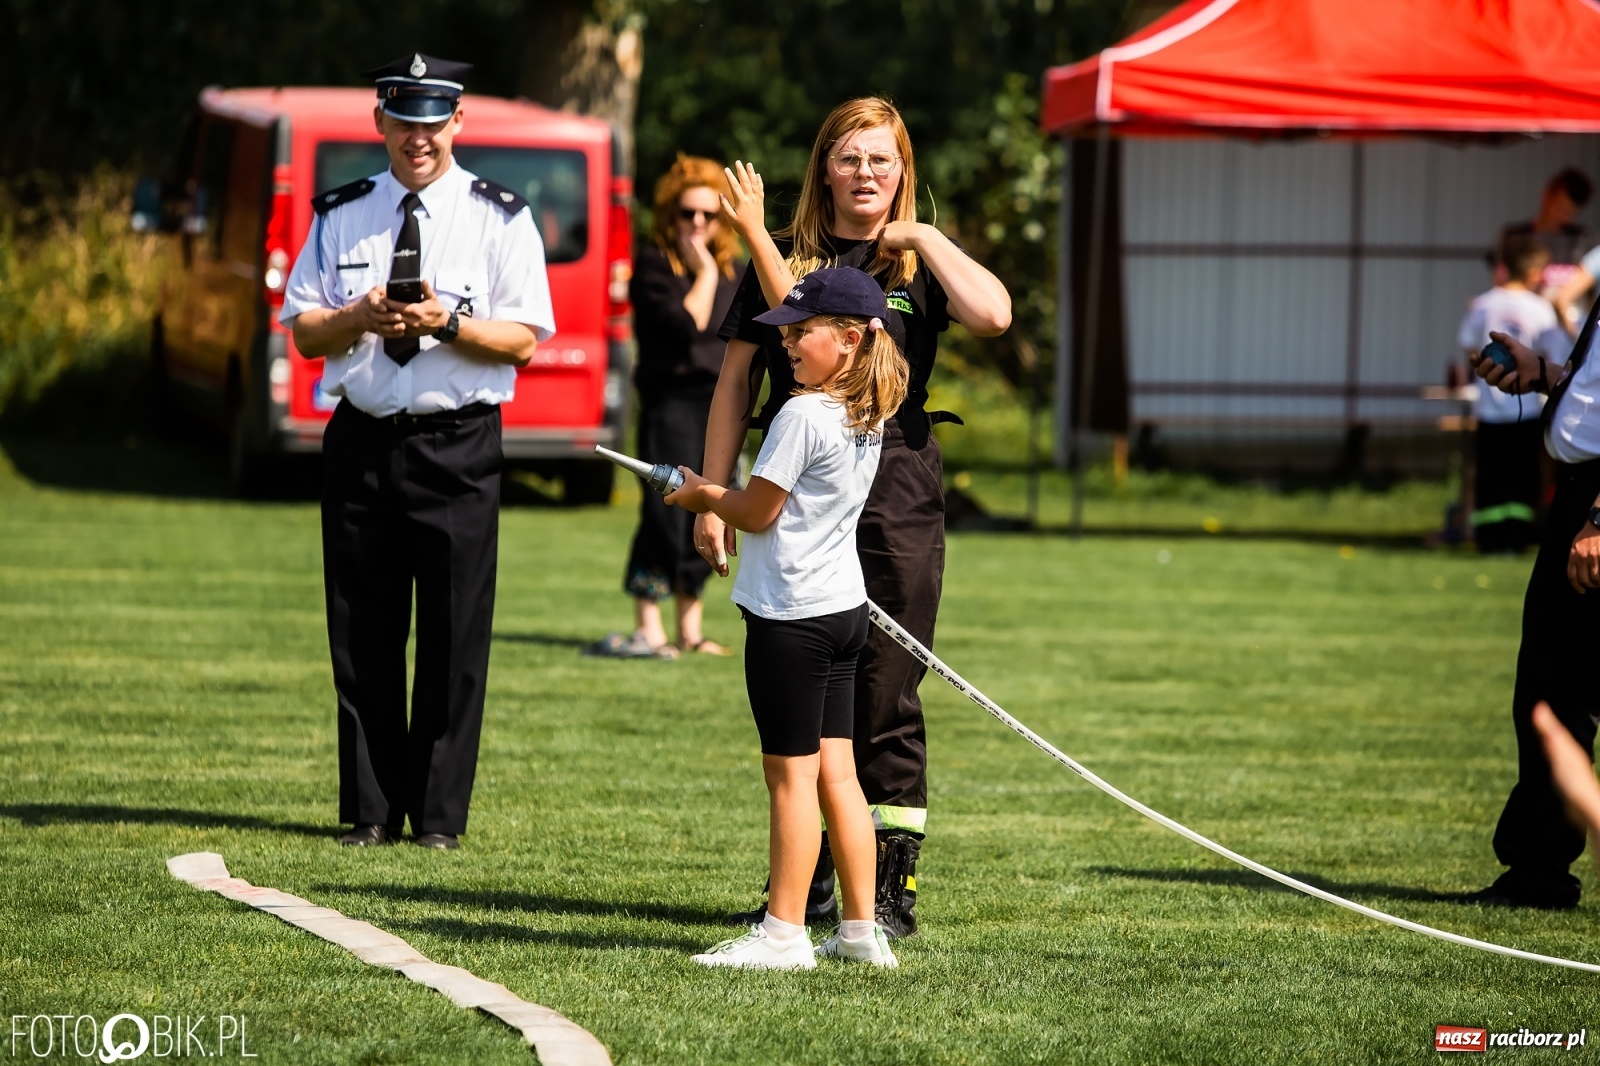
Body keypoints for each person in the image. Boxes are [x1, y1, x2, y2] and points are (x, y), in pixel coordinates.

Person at [701, 97, 1012, 937]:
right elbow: (736, 383)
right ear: (824, 169)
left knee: (885, 689)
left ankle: (889, 891)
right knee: (805, 689)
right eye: (849, 158)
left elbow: (994, 315)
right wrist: (716, 492)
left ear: (903, 170)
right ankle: (803, 893)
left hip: (899, 493)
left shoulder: (915, 268)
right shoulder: (788, 261)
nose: (865, 173)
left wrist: (925, 239)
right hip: (797, 485)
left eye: (882, 159)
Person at [279, 53, 554, 849]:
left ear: (457, 125)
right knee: (362, 631)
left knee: (453, 637)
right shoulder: (341, 213)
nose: (419, 140)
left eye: (433, 125)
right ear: (381, 125)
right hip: (362, 440)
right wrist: (359, 314)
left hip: (457, 444)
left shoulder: (501, 218)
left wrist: (446, 325)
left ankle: (436, 819)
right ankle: (370, 809)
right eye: (404, 123)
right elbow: (303, 332)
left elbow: (525, 341)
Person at [666, 267, 907, 969]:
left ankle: (783, 933)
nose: (790, 347)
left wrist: (701, 495)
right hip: (840, 614)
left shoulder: (803, 414)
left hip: (790, 619)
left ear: (853, 341)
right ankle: (862, 933)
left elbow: (756, 511)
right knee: (840, 775)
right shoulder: (871, 411)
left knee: (791, 778)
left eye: (804, 334)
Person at [1467, 264, 1600, 908]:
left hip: (1595, 510)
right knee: (1555, 693)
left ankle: (1540, 873)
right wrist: (1543, 374)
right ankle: (1538, 873)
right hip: (1578, 500)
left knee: (1559, 691)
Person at [590, 156, 739, 659]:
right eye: (686, 213)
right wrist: (700, 273)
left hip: (718, 406)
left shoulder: (736, 270)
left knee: (712, 509)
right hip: (669, 403)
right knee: (665, 511)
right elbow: (686, 325)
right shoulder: (654, 266)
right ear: (669, 214)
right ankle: (648, 628)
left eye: (708, 215)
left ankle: (691, 631)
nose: (697, 224)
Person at [1457, 237, 1562, 554]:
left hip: (1488, 409)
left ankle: (1489, 539)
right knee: (1522, 474)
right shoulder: (1541, 308)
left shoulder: (1483, 304)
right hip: (1526, 407)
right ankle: (1517, 538)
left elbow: (1468, 347)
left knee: (1490, 475)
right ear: (1532, 273)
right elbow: (1554, 355)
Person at [1495, 167, 1594, 310]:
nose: (1563, 216)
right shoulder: (1515, 238)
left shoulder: (1583, 240)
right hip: (1524, 321)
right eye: (1560, 207)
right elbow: (1500, 285)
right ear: (1546, 196)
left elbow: (1590, 293)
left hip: (1568, 326)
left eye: (1570, 212)